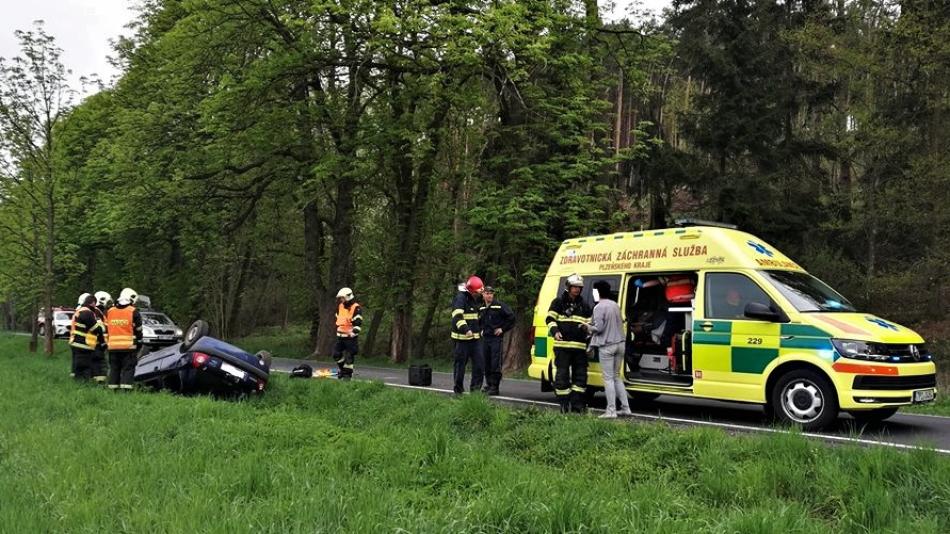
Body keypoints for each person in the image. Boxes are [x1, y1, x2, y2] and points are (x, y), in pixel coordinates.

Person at [545, 274, 593, 413]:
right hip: (563, 347)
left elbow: (590, 323)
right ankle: (564, 405)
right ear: (568, 287)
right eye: (575, 287)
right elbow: (549, 319)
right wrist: (555, 331)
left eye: (579, 287)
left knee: (581, 376)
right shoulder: (558, 302)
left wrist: (587, 327)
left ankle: (577, 405)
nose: (577, 290)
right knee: (562, 376)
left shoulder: (584, 305)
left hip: (579, 347)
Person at [589, 280, 632, 418]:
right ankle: (626, 408)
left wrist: (586, 327)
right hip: (620, 344)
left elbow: (598, 328)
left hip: (607, 346)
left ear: (597, 292)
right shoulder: (615, 305)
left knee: (608, 379)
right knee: (616, 377)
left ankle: (611, 410)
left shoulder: (599, 307)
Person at [474, 286, 516, 396]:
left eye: (491, 293)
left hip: (496, 339)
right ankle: (488, 385)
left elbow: (511, 318)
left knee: (495, 363)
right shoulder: (482, 308)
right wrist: (481, 330)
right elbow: (479, 322)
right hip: (485, 339)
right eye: (487, 293)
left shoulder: (499, 306)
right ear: (483, 295)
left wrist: (502, 329)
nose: (489, 295)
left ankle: (495, 387)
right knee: (486, 363)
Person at [450, 275, 483, 395]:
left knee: (479, 365)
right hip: (462, 340)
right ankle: (458, 391)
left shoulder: (475, 298)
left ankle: (475, 392)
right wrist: (466, 329)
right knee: (460, 366)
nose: (478, 295)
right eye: (476, 293)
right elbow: (457, 317)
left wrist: (481, 329)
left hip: (475, 339)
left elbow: (477, 317)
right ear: (471, 291)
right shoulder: (460, 298)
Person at [105, 288, 143, 390]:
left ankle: (113, 389)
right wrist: (139, 342)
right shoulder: (133, 311)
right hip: (128, 347)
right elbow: (138, 330)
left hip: (112, 347)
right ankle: (126, 390)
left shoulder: (110, 311)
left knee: (114, 368)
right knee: (128, 369)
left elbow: (106, 328)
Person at [70, 294, 106, 382]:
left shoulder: (80, 311)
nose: (95, 306)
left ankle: (78, 382)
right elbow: (95, 329)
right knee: (85, 366)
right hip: (84, 343)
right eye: (95, 303)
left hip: (77, 342)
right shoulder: (87, 312)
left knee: (78, 366)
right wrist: (101, 327)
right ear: (92, 302)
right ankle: (84, 383)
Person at [333, 287, 363, 380]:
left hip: (351, 337)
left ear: (348, 297)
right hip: (340, 336)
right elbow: (338, 318)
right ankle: (343, 371)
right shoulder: (340, 306)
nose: (341, 299)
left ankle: (347, 376)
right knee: (336, 354)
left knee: (349, 356)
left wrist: (354, 332)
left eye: (342, 297)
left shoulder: (356, 307)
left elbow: (358, 323)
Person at [90, 290, 113, 384]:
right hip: (98, 343)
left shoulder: (98, 311)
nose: (108, 306)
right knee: (100, 364)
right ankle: (100, 383)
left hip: (99, 343)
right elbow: (101, 328)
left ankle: (96, 381)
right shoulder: (96, 312)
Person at [70, 293, 91, 377]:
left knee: (75, 361)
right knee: (82, 362)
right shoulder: (85, 311)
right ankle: (81, 379)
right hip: (81, 340)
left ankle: (74, 377)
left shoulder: (77, 311)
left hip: (73, 339)